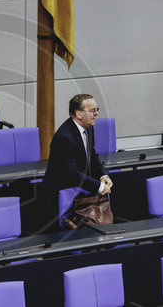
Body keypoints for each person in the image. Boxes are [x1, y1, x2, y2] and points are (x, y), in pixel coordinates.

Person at [42, 94, 113, 229]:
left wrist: (103, 175)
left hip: (79, 192)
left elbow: (92, 154)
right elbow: (71, 173)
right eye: (92, 110)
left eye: (97, 109)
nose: (97, 113)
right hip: (61, 197)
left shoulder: (89, 127)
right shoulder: (65, 137)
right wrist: (99, 186)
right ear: (79, 114)